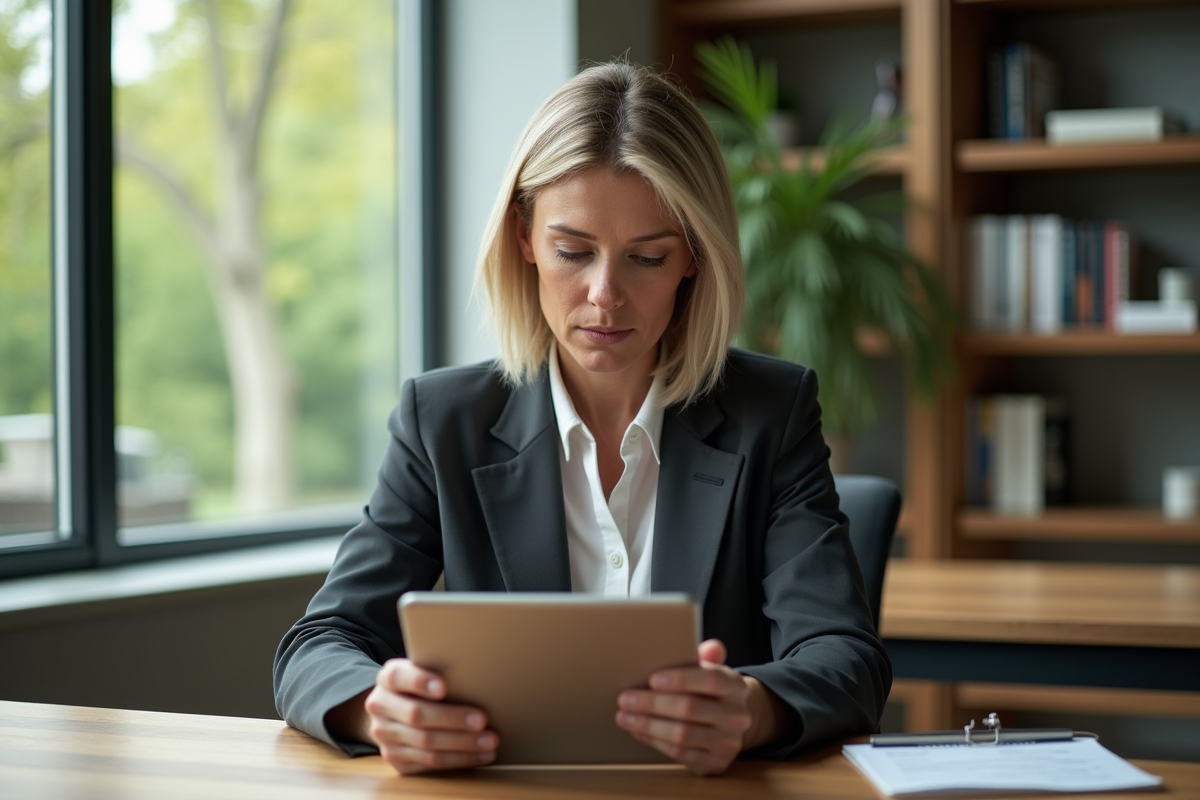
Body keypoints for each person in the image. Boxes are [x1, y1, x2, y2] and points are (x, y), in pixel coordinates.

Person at [274, 61, 891, 777]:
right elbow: (319, 642)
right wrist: (375, 709)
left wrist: (751, 708)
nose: (605, 296)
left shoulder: (771, 413)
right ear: (524, 238)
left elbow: (847, 661)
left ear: (694, 255)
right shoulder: (442, 421)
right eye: (572, 252)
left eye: (648, 258)